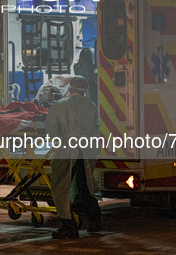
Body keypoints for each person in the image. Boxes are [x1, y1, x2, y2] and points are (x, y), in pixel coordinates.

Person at [46, 75, 101, 239]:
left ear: (70, 88)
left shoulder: (59, 105)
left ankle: (68, 226)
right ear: (85, 90)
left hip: (67, 152)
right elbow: (96, 129)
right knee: (85, 186)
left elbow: (51, 130)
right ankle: (95, 222)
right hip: (86, 152)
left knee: (61, 188)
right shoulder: (91, 105)